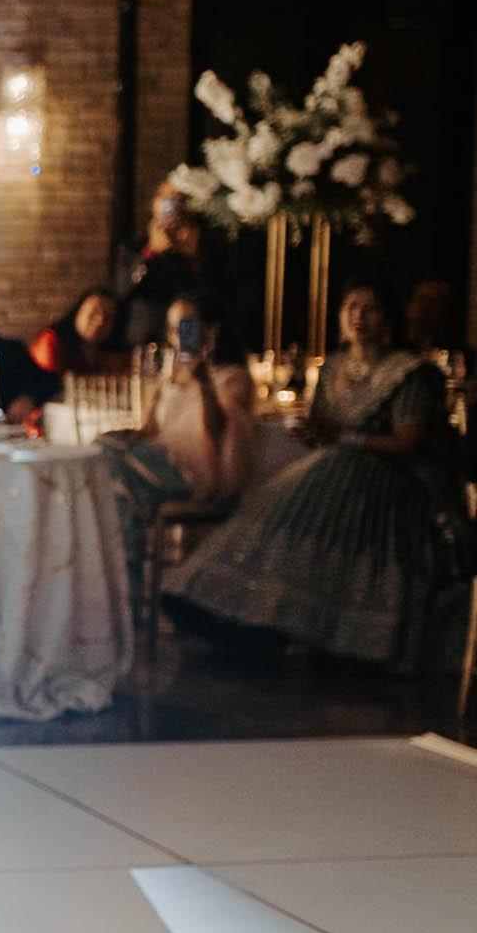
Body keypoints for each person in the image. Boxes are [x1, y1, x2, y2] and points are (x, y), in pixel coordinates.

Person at [163, 281, 473, 670]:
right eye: (351, 307)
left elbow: (407, 442)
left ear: (387, 319)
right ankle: (230, 610)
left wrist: (346, 439)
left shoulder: (410, 372)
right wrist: (314, 433)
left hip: (390, 480)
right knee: (286, 504)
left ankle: (315, 633)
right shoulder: (333, 367)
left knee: (325, 491)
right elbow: (323, 425)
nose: (359, 316)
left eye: (370, 308)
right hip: (333, 469)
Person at [96, 293, 257, 585]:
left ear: (211, 329)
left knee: (115, 478)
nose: (177, 336)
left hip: (196, 474)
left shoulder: (232, 377)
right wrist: (125, 435)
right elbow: (149, 432)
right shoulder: (169, 377)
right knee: (103, 454)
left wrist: (203, 382)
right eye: (172, 328)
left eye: (186, 325)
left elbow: (222, 433)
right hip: (159, 464)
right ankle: (124, 573)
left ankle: (126, 578)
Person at [117, 185, 201, 351]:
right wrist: (150, 252)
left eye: (179, 201)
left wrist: (194, 257)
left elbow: (214, 296)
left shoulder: (199, 246)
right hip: (144, 340)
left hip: (188, 341)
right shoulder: (134, 248)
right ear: (155, 205)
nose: (172, 208)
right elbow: (122, 291)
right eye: (167, 201)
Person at [29, 287, 123, 380]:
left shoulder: (109, 354)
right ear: (78, 312)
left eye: (108, 317)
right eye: (94, 312)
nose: (100, 321)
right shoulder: (50, 341)